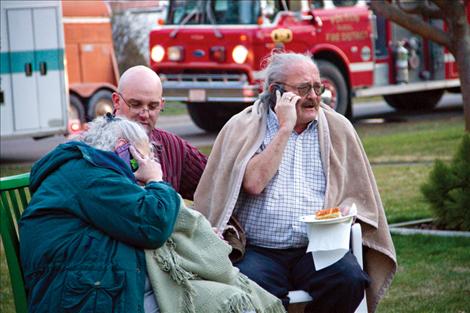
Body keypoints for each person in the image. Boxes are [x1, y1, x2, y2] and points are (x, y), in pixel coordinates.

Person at [193, 52, 397, 313]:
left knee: (349, 279)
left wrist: (346, 209)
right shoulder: (244, 126)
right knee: (248, 289)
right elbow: (254, 183)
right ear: (275, 91)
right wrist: (284, 129)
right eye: (303, 88)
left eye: (317, 87)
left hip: (316, 248)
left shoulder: (337, 128)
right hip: (259, 251)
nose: (314, 96)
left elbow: (353, 190)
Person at [20, 115, 181, 312]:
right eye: (143, 157)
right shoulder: (90, 176)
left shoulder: (87, 170)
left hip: (83, 284)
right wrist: (155, 179)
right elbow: (154, 224)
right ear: (124, 149)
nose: (146, 164)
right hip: (78, 295)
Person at [112, 65, 207, 200]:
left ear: (161, 104)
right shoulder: (92, 148)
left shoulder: (174, 147)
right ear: (116, 101)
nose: (145, 114)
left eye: (153, 106)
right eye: (136, 104)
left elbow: (214, 180)